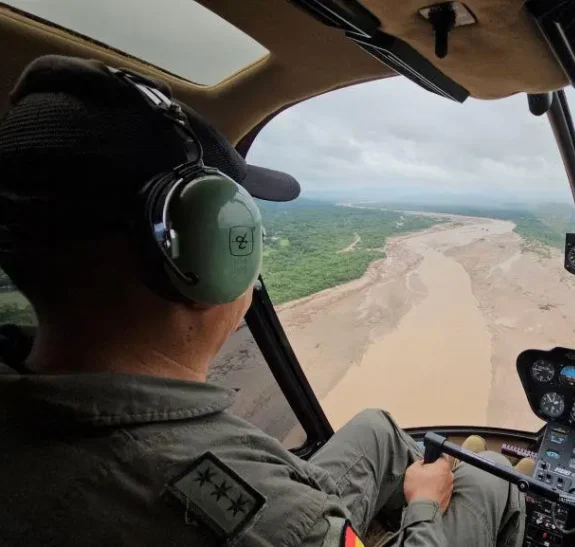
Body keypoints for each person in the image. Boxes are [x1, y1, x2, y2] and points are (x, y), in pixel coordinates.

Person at [0, 56, 524, 547]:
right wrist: (424, 506)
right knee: (490, 489)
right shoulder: (273, 524)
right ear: (204, 256)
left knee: (379, 429)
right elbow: (276, 521)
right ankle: (496, 497)